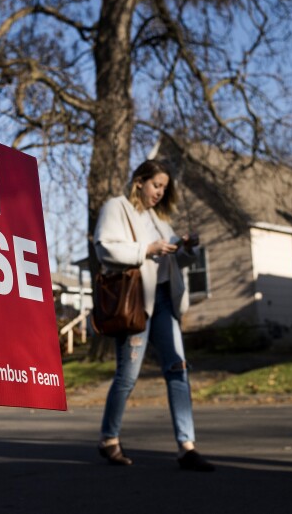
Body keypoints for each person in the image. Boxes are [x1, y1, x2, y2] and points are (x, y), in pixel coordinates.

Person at [94, 159, 214, 472]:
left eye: (164, 187)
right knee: (128, 376)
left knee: (178, 370)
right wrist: (147, 250)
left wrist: (187, 249)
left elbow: (174, 262)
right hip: (135, 302)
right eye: (156, 185)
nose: (160, 192)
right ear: (139, 182)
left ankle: (187, 447)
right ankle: (109, 439)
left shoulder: (160, 221)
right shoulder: (116, 208)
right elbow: (104, 248)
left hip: (164, 302)